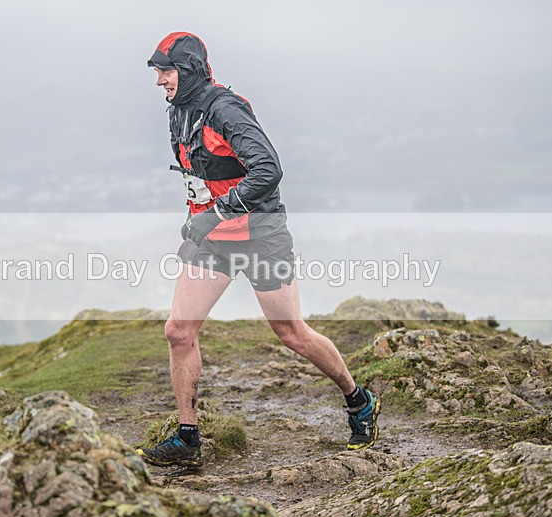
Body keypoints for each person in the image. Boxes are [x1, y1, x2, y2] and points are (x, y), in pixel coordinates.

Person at [137, 32, 380, 468]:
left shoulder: (225, 109)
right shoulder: (179, 111)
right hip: (211, 239)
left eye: (165, 71)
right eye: (157, 72)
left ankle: (358, 399)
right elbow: (204, 171)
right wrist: (197, 216)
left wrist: (217, 211)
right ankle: (188, 437)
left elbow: (269, 169)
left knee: (291, 334)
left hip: (260, 235)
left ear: (189, 70)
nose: (159, 81)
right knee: (178, 331)